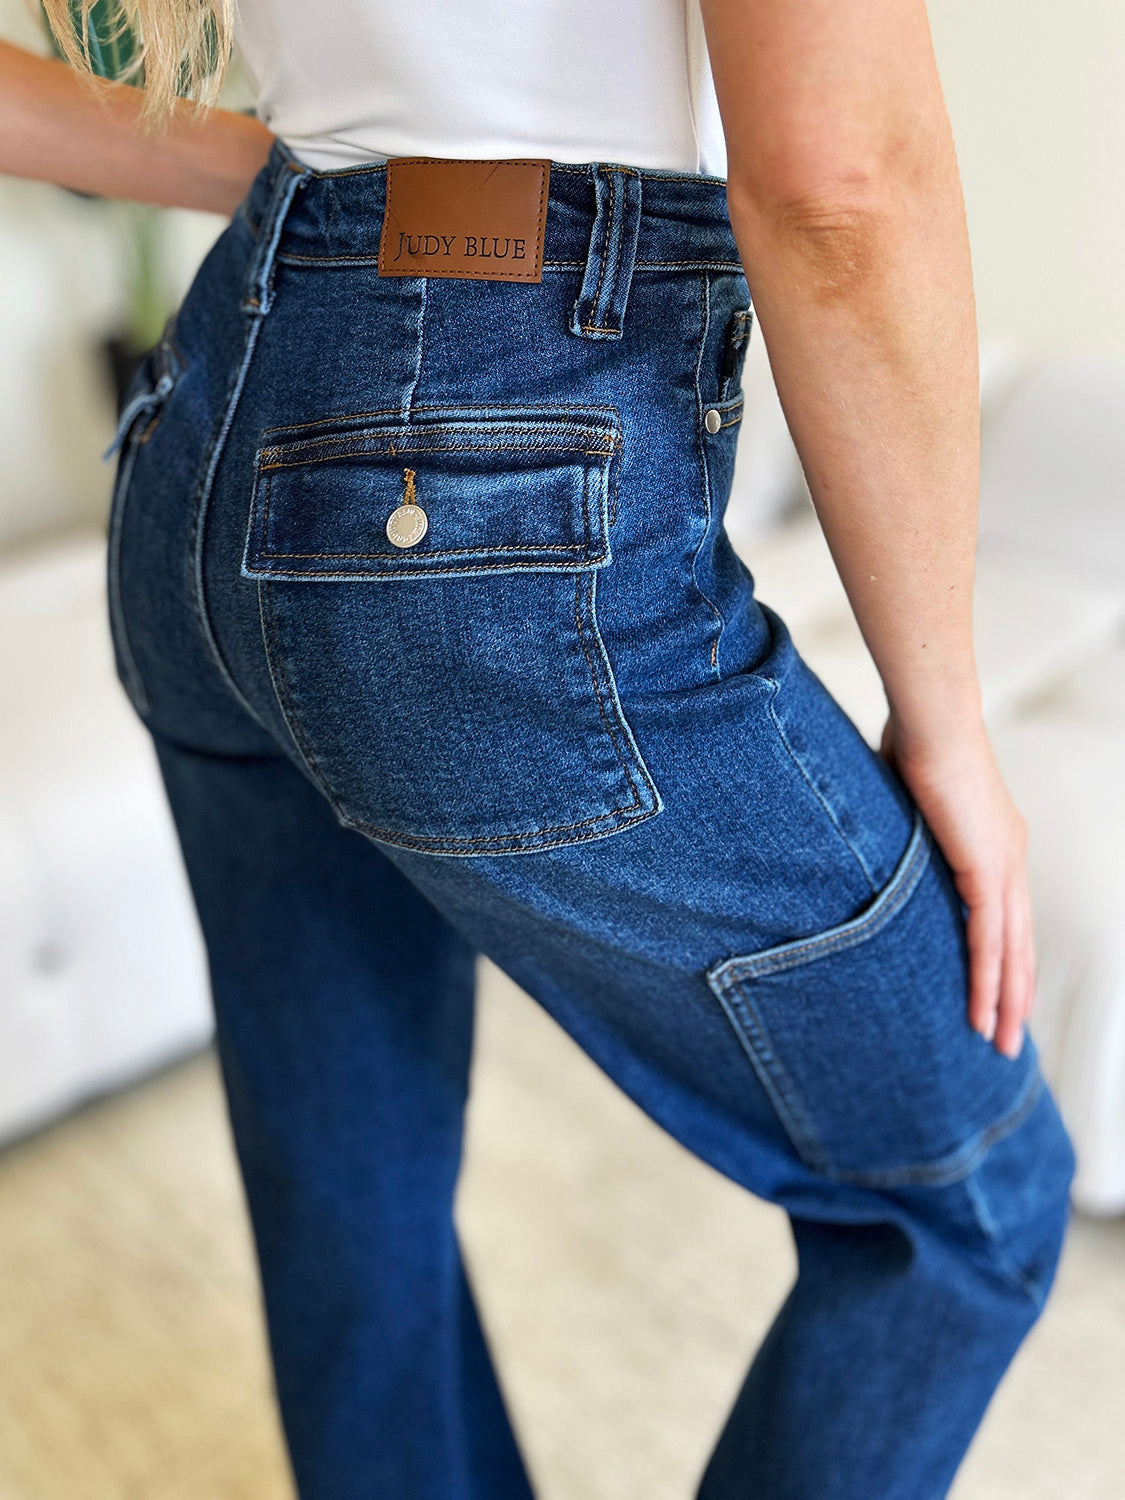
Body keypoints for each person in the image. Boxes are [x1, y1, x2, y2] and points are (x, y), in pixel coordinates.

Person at [1, 3, 1076, 1496]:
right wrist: (944, 720)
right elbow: (838, 183)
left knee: (346, 1175)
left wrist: (318, 177)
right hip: (471, 491)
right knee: (968, 1194)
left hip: (201, 448)